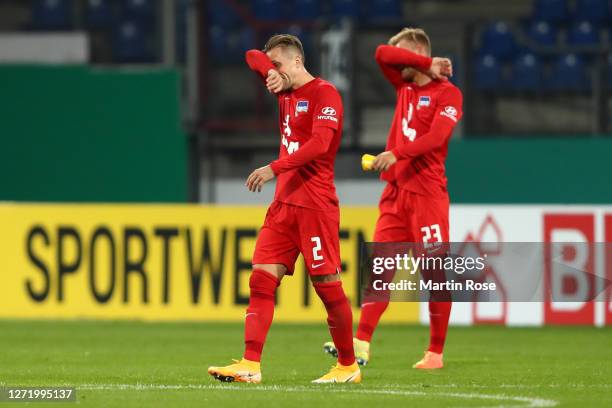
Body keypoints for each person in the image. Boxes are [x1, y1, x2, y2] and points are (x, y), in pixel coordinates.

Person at [208, 34, 360, 384]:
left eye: (278, 65)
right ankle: (250, 364)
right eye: (270, 66)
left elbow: (321, 145)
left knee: (326, 284)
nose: (270, 73)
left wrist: (273, 168)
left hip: (315, 204)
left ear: (297, 61)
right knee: (261, 278)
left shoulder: (325, 93)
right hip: (283, 205)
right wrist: (268, 70)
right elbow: (249, 54)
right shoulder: (283, 89)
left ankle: (348, 366)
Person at [323, 27, 462, 370]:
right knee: (381, 270)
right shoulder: (406, 85)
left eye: (407, 54)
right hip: (395, 195)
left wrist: (397, 153)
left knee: (433, 273)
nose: (400, 63)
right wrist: (427, 62)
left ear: (415, 50)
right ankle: (362, 343)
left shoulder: (449, 95)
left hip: (427, 194)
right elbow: (382, 54)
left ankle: (435, 353)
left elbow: (437, 138)